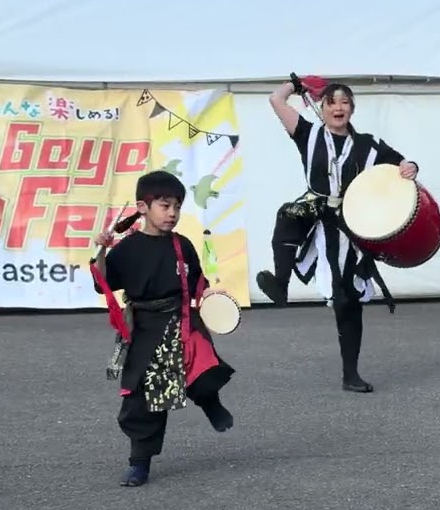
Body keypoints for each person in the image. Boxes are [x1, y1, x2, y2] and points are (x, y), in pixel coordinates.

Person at [254, 76, 418, 393]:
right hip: (315, 209)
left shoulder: (368, 145)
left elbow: (402, 164)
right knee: (288, 216)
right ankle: (281, 283)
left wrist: (411, 165)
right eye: (331, 101)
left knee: (347, 302)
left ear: (352, 109)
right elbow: (276, 100)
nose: (338, 107)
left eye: (344, 102)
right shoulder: (308, 134)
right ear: (323, 107)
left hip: (349, 223)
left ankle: (350, 374)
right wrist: (296, 85)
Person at [91, 170, 236, 487]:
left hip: (182, 322)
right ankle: (138, 463)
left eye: (177, 207)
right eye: (164, 205)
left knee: (203, 371)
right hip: (145, 330)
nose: (172, 213)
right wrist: (101, 249)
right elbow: (102, 285)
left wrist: (211, 296)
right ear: (142, 207)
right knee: (143, 400)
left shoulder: (182, 245)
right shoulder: (127, 249)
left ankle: (210, 402)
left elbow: (199, 282)